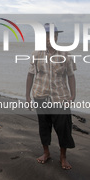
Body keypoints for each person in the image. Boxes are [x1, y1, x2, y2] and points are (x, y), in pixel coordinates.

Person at [26, 23, 76, 170]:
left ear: (56, 37)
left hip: (61, 97)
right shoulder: (36, 54)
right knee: (44, 126)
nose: (49, 39)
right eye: (46, 36)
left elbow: (71, 76)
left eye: (52, 36)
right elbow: (30, 75)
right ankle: (46, 153)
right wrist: (27, 96)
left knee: (63, 128)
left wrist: (73, 95)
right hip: (40, 95)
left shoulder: (66, 55)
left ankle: (63, 157)